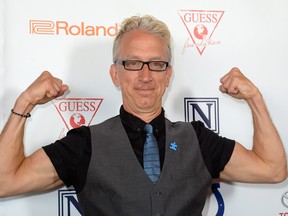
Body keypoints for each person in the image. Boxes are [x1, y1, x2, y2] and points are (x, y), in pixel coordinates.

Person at [0, 14, 287, 216]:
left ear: (168, 74)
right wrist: (24, 103)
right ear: (115, 73)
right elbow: (5, 182)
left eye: (157, 64)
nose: (146, 76)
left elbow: (273, 170)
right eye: (133, 63)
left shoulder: (197, 140)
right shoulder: (84, 144)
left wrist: (255, 99)